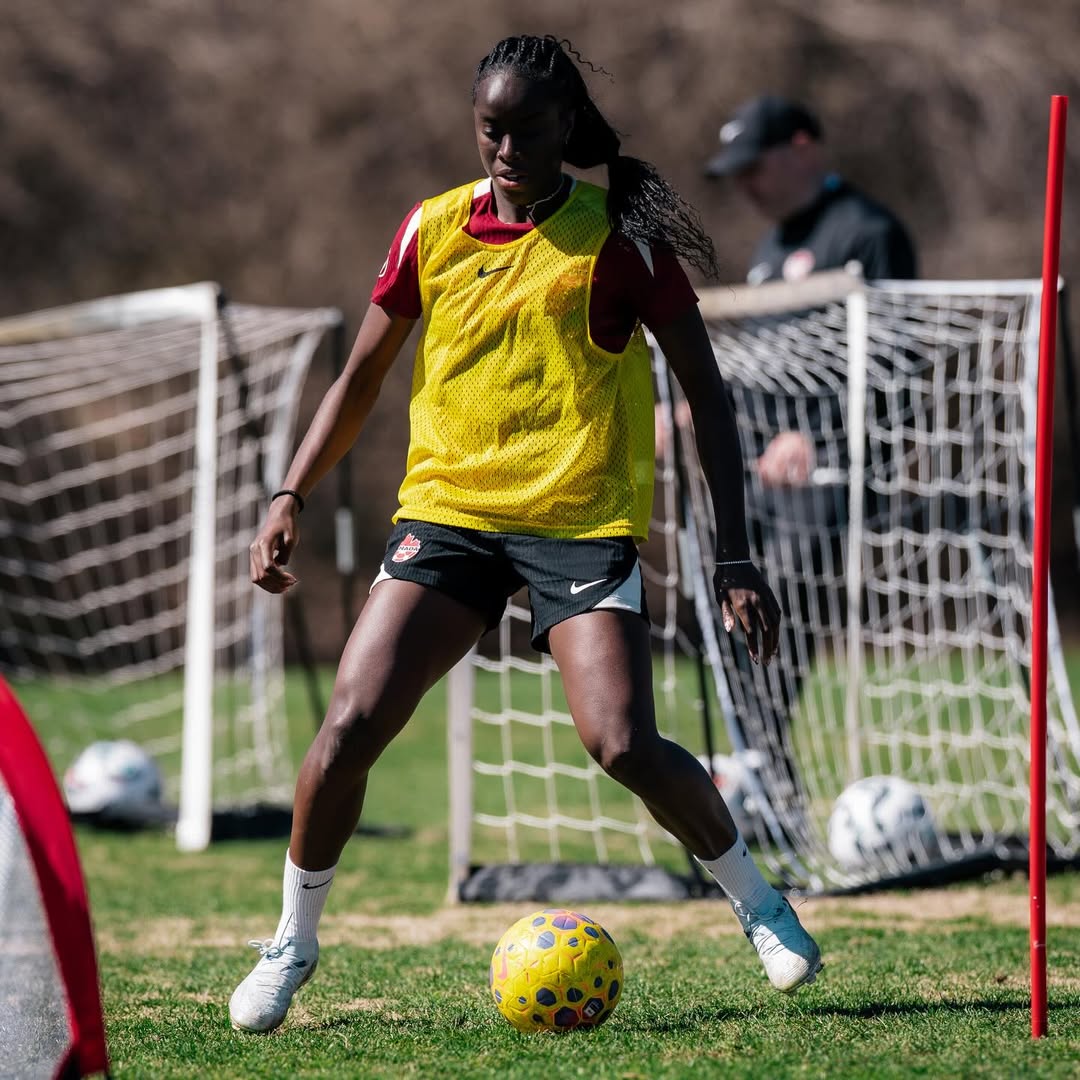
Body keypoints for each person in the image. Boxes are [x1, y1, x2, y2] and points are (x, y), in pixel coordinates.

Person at [228, 35, 822, 1036]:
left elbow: (708, 400)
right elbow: (362, 377)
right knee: (349, 727)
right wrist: (289, 489)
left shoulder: (620, 239)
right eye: (490, 129)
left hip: (580, 523)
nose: (505, 147)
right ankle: (292, 940)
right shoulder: (433, 228)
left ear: (567, 131)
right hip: (450, 515)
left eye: (527, 129)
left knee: (622, 742)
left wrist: (733, 555)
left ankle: (760, 906)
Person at [697, 94, 919, 839]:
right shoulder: (770, 250)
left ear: (804, 146)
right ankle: (762, 785)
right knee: (727, 628)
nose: (748, 184)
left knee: (776, 625)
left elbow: (896, 367)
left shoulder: (869, 232)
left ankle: (768, 787)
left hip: (827, 484)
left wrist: (819, 440)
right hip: (755, 484)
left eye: (757, 165)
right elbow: (757, 367)